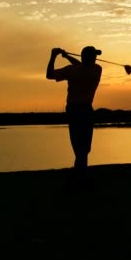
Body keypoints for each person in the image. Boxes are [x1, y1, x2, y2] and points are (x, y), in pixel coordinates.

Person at [46, 46, 102, 174]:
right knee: (84, 146)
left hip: (73, 110)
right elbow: (82, 67)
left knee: (78, 145)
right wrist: (67, 57)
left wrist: (54, 56)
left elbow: (49, 75)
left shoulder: (71, 70)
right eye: (94, 56)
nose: (96, 58)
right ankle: (81, 172)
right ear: (91, 58)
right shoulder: (97, 69)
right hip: (87, 110)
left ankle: (79, 172)